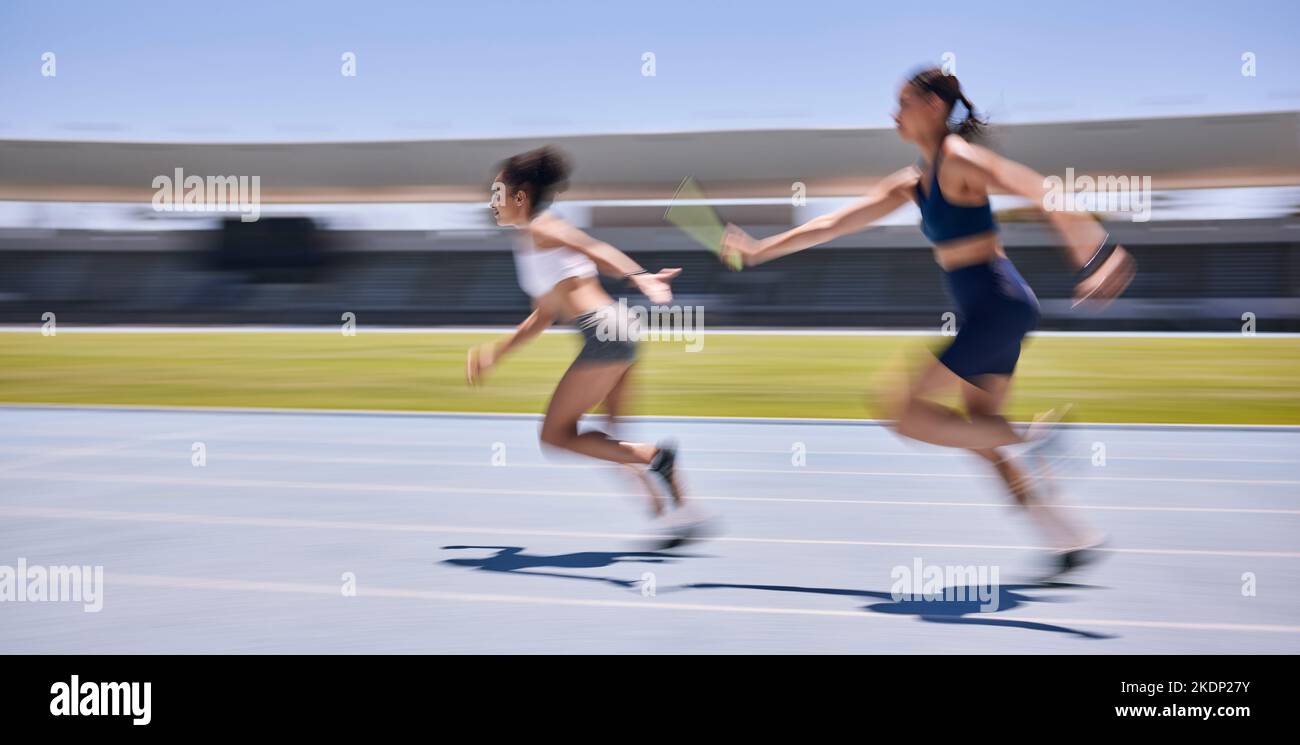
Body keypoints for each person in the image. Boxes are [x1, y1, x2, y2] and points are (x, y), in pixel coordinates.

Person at [720, 68, 1136, 578]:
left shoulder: (959, 159)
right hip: (993, 307)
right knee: (980, 436)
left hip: (995, 304)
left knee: (900, 410)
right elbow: (834, 222)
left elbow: (1038, 188)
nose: (893, 114)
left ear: (934, 107)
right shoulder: (914, 183)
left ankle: (1036, 435)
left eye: (903, 103)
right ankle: (1068, 536)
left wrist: (1096, 251)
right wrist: (761, 250)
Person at [467, 146, 712, 547]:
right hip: (619, 328)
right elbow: (543, 316)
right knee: (613, 440)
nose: (491, 202)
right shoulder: (531, 245)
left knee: (556, 435)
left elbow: (592, 247)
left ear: (520, 196)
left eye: (497, 192)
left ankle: (658, 460)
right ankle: (682, 512)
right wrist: (496, 353)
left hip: (603, 332)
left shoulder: (544, 227)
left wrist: (641, 278)